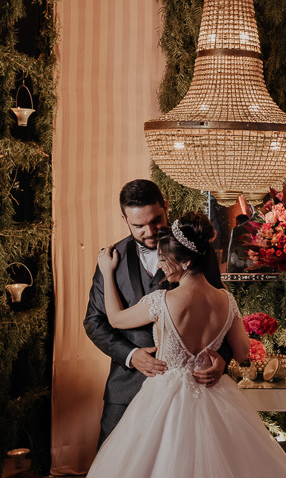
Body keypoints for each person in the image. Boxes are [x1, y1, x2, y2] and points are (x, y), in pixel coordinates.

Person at [86, 211, 286, 478]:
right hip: (217, 396)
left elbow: (116, 320)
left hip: (164, 398)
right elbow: (244, 352)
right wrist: (220, 359)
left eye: (165, 258)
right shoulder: (225, 299)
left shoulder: (162, 301)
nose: (161, 264)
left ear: (186, 260)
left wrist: (107, 273)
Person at [83, 179, 228, 446]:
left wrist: (222, 361)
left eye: (156, 220)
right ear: (124, 218)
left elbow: (221, 313)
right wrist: (130, 355)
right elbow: (94, 322)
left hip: (188, 396)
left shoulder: (196, 253)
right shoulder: (110, 259)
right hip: (125, 389)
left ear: (166, 207)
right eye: (138, 225)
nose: (149, 231)